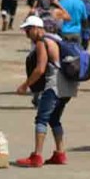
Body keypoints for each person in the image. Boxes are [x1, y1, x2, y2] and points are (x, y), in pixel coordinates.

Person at [15, 15, 78, 167]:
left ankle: (36, 156)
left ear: (37, 28)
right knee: (54, 118)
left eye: (28, 30)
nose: (27, 34)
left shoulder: (42, 42)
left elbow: (40, 69)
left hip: (54, 85)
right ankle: (60, 153)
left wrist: (25, 85)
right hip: (68, 86)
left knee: (41, 119)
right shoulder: (55, 38)